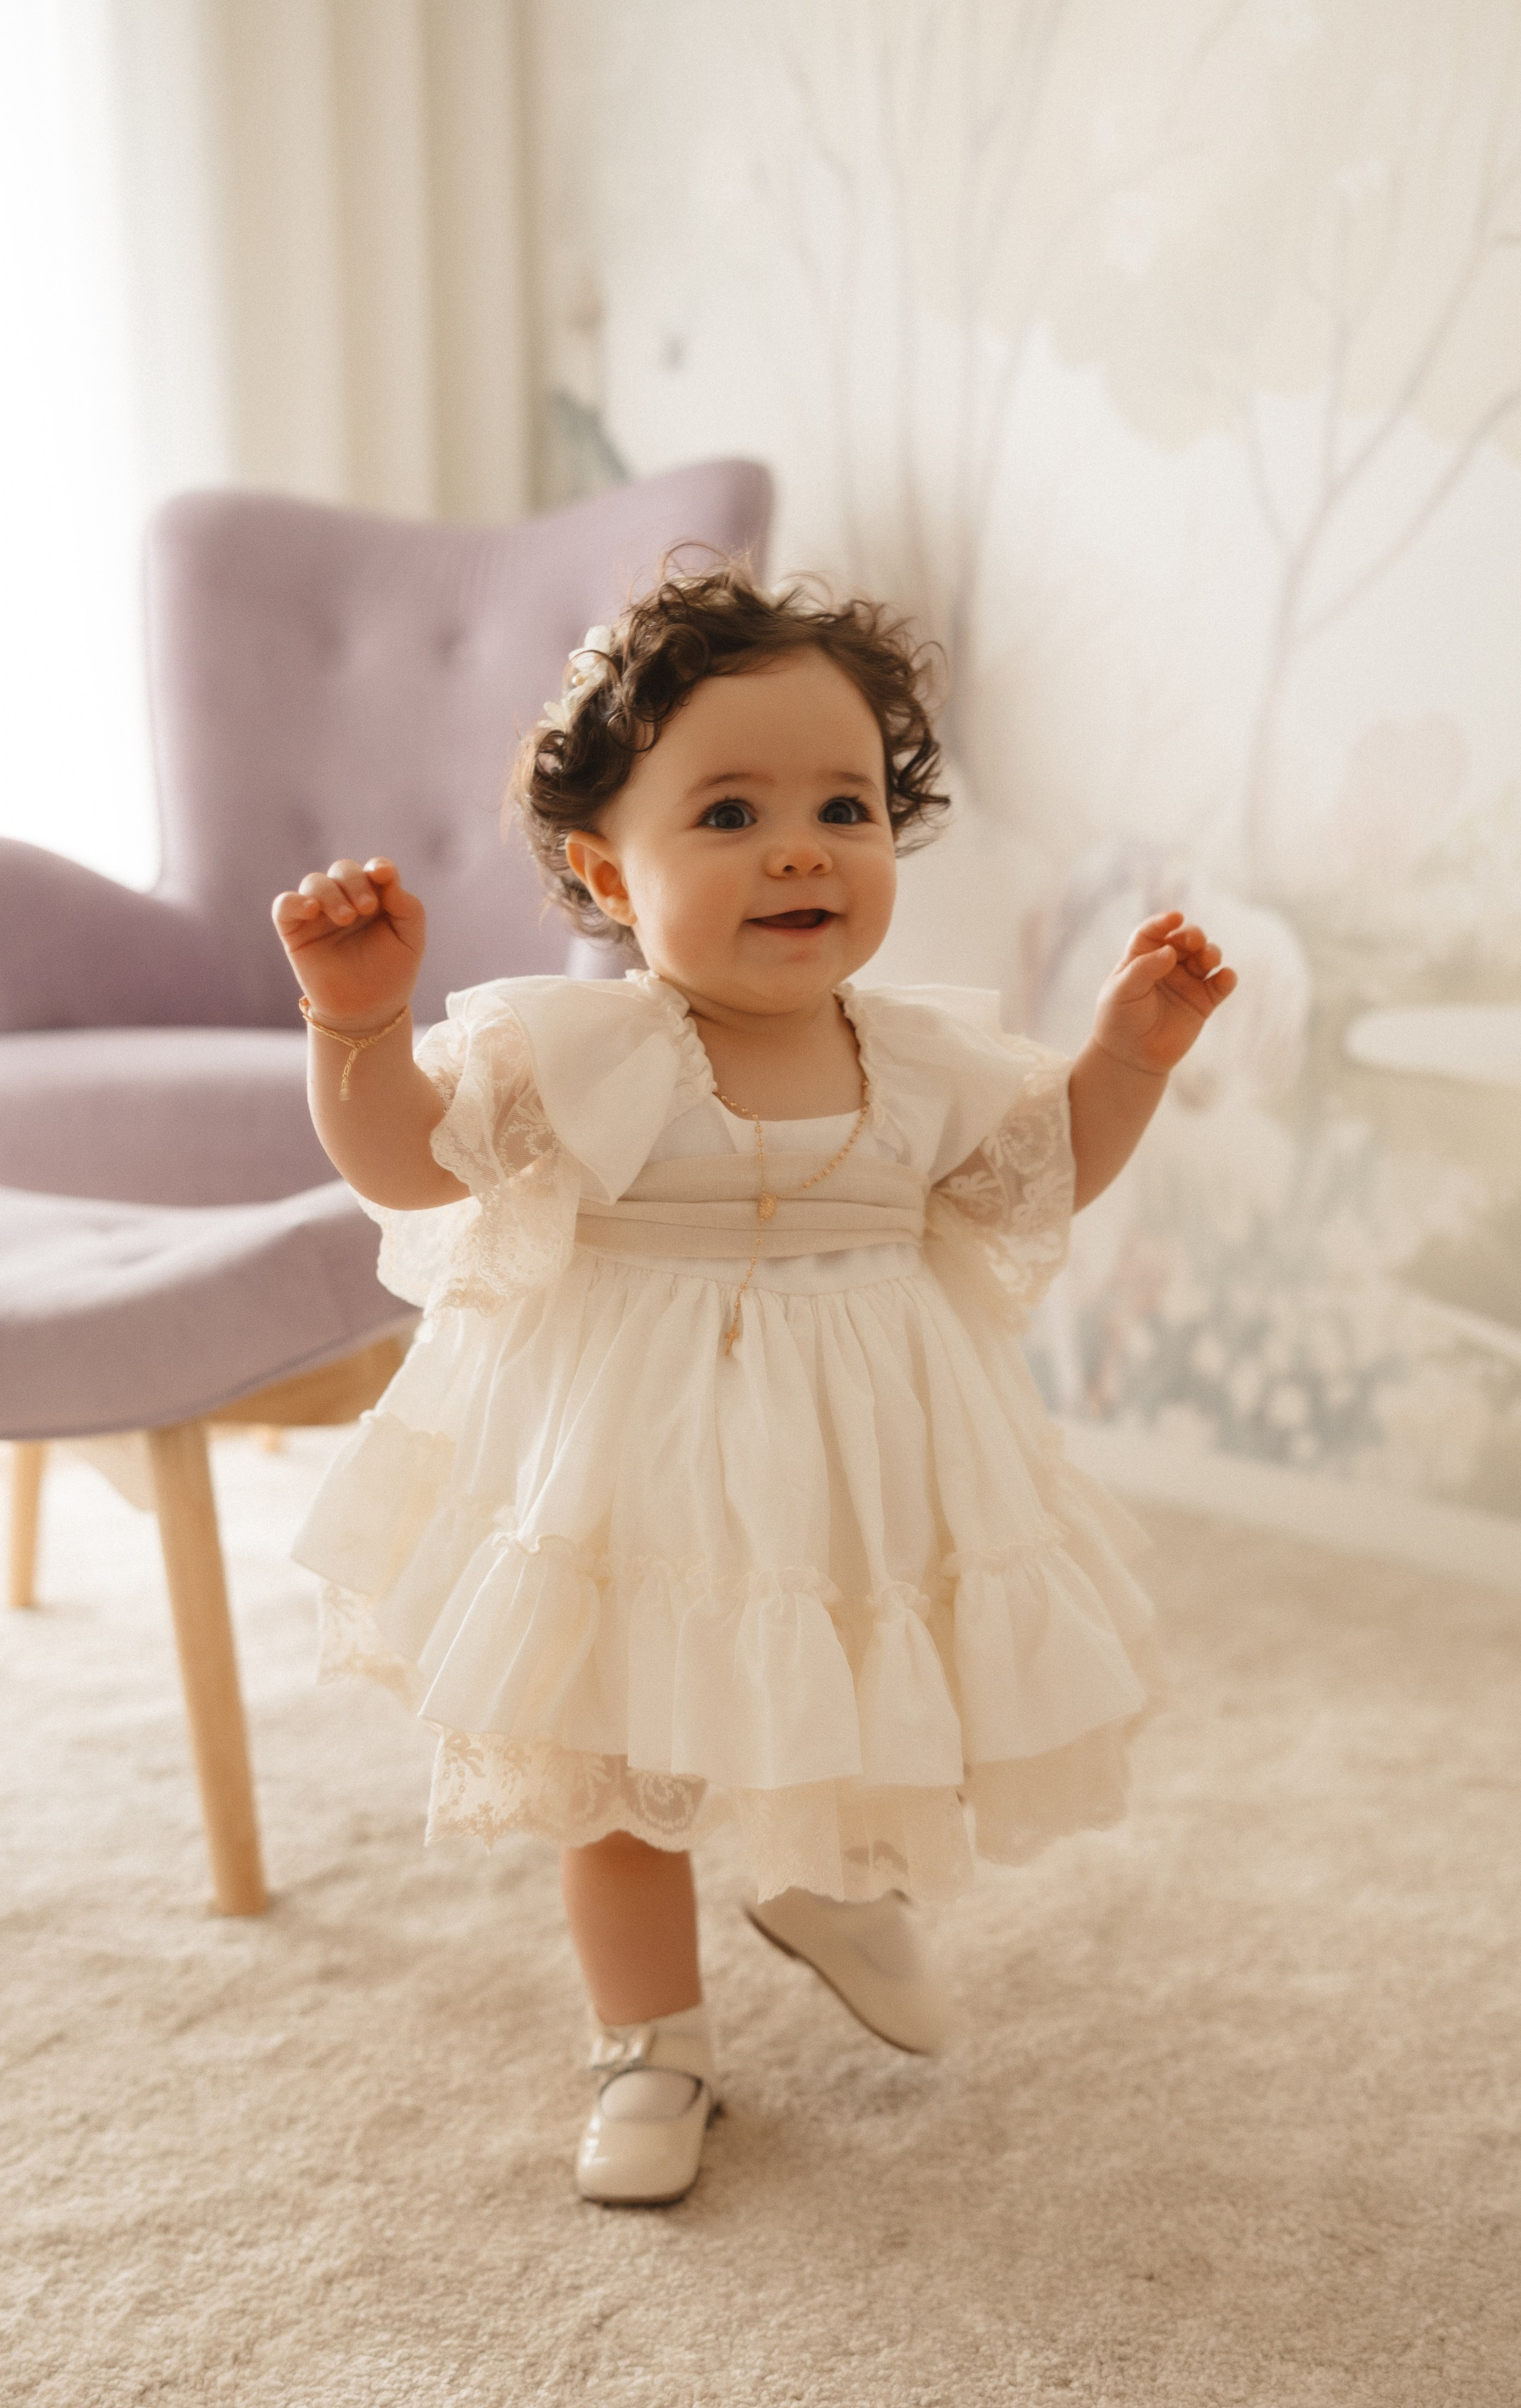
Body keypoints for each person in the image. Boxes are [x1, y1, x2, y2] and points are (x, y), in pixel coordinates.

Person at [273, 565, 1236, 2208]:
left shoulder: (920, 1060)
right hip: (628, 1461)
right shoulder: (580, 1053)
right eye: (727, 811)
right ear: (606, 872)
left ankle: (833, 1878)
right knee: (614, 1761)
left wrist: (1128, 1057)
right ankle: (652, 2043)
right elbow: (409, 1167)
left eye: (842, 805)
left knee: (881, 1679)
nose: (800, 846)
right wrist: (355, 1022)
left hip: (866, 1451)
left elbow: (1039, 1176)